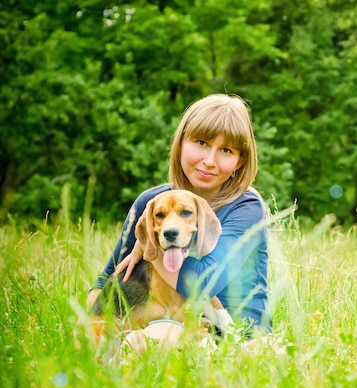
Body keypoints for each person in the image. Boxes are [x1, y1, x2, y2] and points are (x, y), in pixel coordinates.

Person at [86, 93, 271, 344]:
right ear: (181, 144)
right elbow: (107, 280)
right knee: (156, 335)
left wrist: (149, 247)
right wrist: (86, 335)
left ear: (240, 161)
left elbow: (204, 283)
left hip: (239, 335)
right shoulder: (151, 203)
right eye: (201, 143)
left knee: (161, 336)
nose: (209, 161)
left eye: (226, 150)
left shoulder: (247, 207)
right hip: (169, 324)